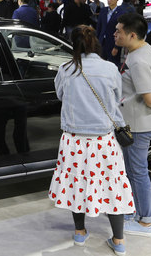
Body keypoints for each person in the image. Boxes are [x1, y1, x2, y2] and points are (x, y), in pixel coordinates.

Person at [49, 25, 133, 255]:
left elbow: (60, 95)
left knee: (77, 183)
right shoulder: (109, 68)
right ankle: (118, 240)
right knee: (112, 185)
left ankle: (79, 232)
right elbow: (118, 98)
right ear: (95, 42)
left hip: (74, 141)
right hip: (103, 140)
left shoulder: (65, 69)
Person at [114, 13, 151, 237]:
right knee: (132, 171)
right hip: (134, 121)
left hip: (138, 124)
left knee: (138, 172)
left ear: (132, 34)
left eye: (119, 31)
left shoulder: (138, 60)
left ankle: (146, 221)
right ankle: (134, 212)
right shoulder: (143, 50)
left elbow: (148, 96)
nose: (115, 34)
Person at [96, 0, 128, 66]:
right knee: (100, 63)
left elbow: (121, 31)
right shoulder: (103, 10)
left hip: (113, 42)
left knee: (113, 64)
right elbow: (99, 27)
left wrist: (116, 47)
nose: (109, 1)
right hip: (102, 42)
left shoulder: (121, 12)